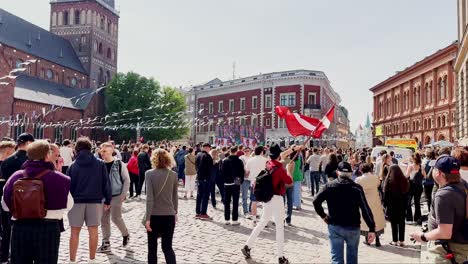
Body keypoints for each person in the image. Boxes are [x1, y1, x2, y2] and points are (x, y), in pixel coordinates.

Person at [2, 140, 72, 263]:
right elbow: (69, 205)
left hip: (21, 228)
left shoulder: (16, 176)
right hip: (48, 228)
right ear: (47, 155)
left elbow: (5, 205)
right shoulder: (60, 178)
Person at [313, 162, 376, 264]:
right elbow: (365, 209)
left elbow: (316, 201)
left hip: (335, 225)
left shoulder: (329, 186)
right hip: (353, 227)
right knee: (352, 258)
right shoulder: (356, 188)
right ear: (351, 174)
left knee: (337, 259)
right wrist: (371, 228)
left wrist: (324, 216)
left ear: (337, 172)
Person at [410, 156, 468, 263]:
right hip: (458, 247)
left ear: (438, 173)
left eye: (434, 169)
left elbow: (445, 232)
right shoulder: (462, 184)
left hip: (448, 250)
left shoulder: (444, 195)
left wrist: (422, 236)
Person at [242, 144, 293, 264]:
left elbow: (278, 161)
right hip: (276, 198)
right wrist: (289, 170)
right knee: (279, 227)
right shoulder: (280, 169)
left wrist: (291, 150)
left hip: (267, 197)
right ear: (278, 155)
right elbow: (289, 181)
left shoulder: (268, 164)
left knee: (262, 222)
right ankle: (281, 257)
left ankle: (247, 246)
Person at [67, 137, 112, 263]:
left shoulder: (73, 166)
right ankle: (92, 260)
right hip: (95, 201)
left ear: (77, 149)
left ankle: (72, 260)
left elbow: (68, 186)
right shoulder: (100, 164)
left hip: (76, 202)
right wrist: (108, 200)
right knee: (94, 231)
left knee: (74, 233)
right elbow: (106, 184)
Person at [0, 133, 34, 263]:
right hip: (26, 201)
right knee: (23, 232)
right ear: (28, 143)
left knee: (7, 231)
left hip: (8, 200)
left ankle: (4, 257)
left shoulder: (7, 161)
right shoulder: (30, 160)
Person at [144, 148, 178, 264]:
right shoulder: (173, 175)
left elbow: (149, 198)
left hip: (154, 215)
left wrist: (147, 218)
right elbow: (175, 197)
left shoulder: (149, 174)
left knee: (152, 248)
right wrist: (175, 212)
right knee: (167, 247)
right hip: (169, 215)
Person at [97, 142, 130, 253]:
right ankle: (106, 242)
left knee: (116, 218)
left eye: (104, 151)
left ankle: (125, 234)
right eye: (101, 151)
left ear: (111, 151)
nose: (102, 153)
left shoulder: (119, 164)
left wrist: (123, 195)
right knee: (104, 220)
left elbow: (126, 180)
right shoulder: (99, 164)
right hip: (102, 197)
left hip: (116, 196)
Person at [355, 164, 385, 247]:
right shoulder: (375, 177)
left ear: (361, 170)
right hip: (375, 200)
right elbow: (378, 185)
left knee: (366, 220)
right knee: (376, 219)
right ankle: (378, 240)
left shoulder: (358, 179)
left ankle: (367, 240)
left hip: (364, 201)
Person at [383, 164, 410, 247]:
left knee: (393, 223)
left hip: (392, 205)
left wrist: (385, 205)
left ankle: (395, 240)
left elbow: (386, 195)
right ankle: (401, 240)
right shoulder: (404, 180)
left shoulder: (388, 181)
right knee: (402, 222)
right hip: (402, 204)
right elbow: (407, 194)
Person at [221, 146, 245, 225]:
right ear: (236, 151)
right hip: (236, 181)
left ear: (230, 151)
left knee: (227, 202)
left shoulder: (225, 160)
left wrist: (224, 180)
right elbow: (242, 172)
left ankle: (226, 219)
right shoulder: (239, 161)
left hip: (227, 182)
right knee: (235, 201)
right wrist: (240, 181)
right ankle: (234, 220)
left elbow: (221, 172)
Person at [245, 146, 268, 224]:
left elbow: (247, 172)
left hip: (254, 182)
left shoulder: (250, 160)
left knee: (254, 201)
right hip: (264, 183)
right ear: (261, 151)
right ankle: (263, 221)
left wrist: (250, 177)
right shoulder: (266, 160)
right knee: (264, 202)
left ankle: (254, 220)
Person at [405, 153, 425, 225]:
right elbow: (424, 176)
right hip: (419, 186)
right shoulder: (421, 166)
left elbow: (407, 175)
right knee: (417, 202)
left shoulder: (410, 166)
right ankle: (417, 218)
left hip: (411, 185)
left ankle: (409, 218)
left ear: (413, 158)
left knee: (408, 202)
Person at [195, 143, 213, 219]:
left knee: (199, 195)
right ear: (208, 148)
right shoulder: (207, 156)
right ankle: (203, 213)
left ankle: (198, 212)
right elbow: (209, 169)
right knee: (205, 196)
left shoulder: (198, 155)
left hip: (199, 177)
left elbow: (196, 166)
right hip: (206, 178)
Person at [240, 147, 252, 216]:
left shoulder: (252, 158)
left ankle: (250, 209)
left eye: (248, 151)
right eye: (245, 151)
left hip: (251, 178)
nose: (247, 152)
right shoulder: (241, 158)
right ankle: (245, 211)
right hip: (244, 178)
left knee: (253, 196)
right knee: (244, 196)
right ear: (243, 151)